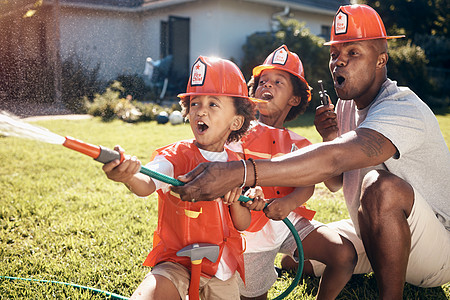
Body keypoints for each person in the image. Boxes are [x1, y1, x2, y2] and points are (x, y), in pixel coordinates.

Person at [171, 4, 450, 300]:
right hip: (373, 227)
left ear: (381, 59)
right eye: (334, 55)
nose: (338, 63)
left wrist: (239, 172)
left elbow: (337, 157)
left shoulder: (402, 106)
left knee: (381, 187)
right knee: (297, 259)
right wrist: (331, 135)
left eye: (353, 53)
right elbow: (336, 180)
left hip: (436, 249)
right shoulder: (345, 107)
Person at [102, 56, 256, 300]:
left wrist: (237, 200)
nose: (201, 110)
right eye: (195, 103)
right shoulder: (175, 157)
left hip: (221, 269)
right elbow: (147, 184)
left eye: (213, 104)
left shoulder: (237, 167)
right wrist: (129, 176)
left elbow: (243, 223)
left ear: (236, 121)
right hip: (176, 262)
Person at [226, 45, 356, 300]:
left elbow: (308, 184)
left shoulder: (301, 143)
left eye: (278, 82)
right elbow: (231, 175)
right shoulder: (238, 134)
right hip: (250, 233)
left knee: (344, 255)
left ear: (294, 99)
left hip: (290, 224)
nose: (268, 86)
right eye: (262, 81)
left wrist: (288, 203)